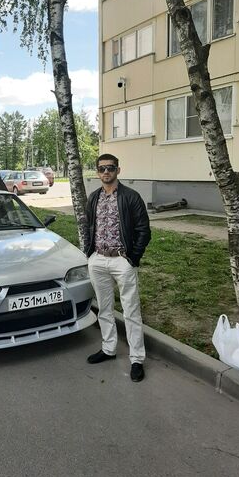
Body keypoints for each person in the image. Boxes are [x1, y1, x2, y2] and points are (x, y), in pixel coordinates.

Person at [85, 154, 151, 382]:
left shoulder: (131, 197)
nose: (106, 172)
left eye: (110, 168)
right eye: (102, 168)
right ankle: (108, 348)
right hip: (98, 260)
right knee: (104, 308)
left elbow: (144, 230)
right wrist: (89, 253)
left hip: (122, 260)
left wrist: (133, 258)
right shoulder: (94, 197)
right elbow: (88, 226)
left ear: (118, 170)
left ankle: (137, 359)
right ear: (97, 172)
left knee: (131, 310)